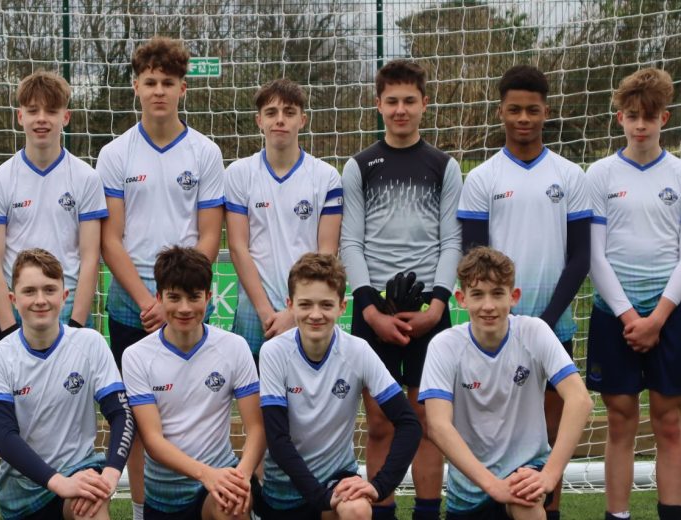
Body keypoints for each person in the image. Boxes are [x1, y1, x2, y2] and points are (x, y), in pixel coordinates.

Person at [456, 64, 594, 520]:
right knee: (497, 427)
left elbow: (580, 258)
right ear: (501, 112)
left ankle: (544, 509)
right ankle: (487, 501)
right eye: (514, 109)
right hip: (496, 327)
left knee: (552, 430)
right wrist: (507, 315)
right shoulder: (482, 179)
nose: (523, 118)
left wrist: (546, 321)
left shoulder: (571, 175)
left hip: (554, 325)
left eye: (532, 110)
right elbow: (475, 259)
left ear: (545, 111)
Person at [98, 36, 226, 518]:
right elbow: (112, 238)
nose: (158, 91)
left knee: (194, 405)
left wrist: (182, 294)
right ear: (135, 86)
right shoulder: (115, 153)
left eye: (167, 83)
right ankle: (140, 507)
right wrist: (149, 299)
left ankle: (207, 495)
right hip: (134, 304)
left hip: (190, 300)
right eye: (149, 82)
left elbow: (209, 233)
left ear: (183, 88)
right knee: (133, 415)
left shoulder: (206, 152)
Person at [339, 58, 461, 520]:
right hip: (375, 313)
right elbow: (351, 242)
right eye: (391, 101)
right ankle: (382, 510)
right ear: (378, 105)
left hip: (430, 313)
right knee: (380, 425)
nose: (400, 109)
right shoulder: (360, 166)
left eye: (409, 100)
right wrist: (370, 311)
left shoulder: (443, 166)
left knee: (430, 424)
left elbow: (452, 241)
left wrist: (437, 304)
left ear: (424, 104)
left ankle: (427, 513)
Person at [583, 67, 681, 520]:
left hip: (668, 315)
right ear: (618, 118)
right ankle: (618, 515)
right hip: (614, 316)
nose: (640, 125)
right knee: (619, 420)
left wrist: (656, 318)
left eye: (648, 117)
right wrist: (628, 315)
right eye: (632, 116)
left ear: (664, 119)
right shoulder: (597, 175)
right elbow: (595, 257)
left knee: (669, 422)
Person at [418, 247, 592, 520]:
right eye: (477, 294)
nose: (488, 305)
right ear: (462, 299)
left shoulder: (534, 331)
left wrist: (549, 475)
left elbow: (580, 400)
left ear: (514, 297)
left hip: (525, 470)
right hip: (469, 491)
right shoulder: (444, 345)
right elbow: (438, 426)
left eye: (498, 293)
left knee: (526, 501)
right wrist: (493, 486)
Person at [256, 252, 419, 520]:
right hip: (284, 493)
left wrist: (379, 487)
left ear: (342, 307)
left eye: (326, 305)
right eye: (305, 304)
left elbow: (409, 423)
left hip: (337, 484)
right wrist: (320, 497)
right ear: (290, 305)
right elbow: (277, 440)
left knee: (356, 509)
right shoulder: (274, 352)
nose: (316, 314)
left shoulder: (358, 351)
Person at [0, 248, 134, 520]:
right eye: (29, 291)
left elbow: (121, 413)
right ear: (13, 299)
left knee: (90, 503)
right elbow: (4, 439)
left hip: (80, 471)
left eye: (49, 290)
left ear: (64, 297)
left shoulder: (90, 343)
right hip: (24, 490)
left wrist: (110, 474)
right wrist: (60, 482)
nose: (40, 300)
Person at [121, 246, 263, 520]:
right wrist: (205, 474)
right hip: (165, 497)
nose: (184, 308)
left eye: (194, 297)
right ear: (159, 298)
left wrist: (241, 477)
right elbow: (152, 440)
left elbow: (256, 427)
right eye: (174, 297)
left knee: (230, 504)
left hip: (218, 482)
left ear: (209, 298)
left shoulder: (234, 347)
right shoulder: (137, 356)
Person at [225, 78, 341, 357]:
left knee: (307, 395)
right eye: (271, 113)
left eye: (289, 113)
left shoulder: (326, 177)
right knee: (254, 398)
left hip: (307, 309)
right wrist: (266, 311)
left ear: (302, 120)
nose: (280, 120)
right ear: (258, 120)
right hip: (255, 312)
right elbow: (238, 247)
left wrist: (293, 312)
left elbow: (327, 253)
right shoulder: (239, 174)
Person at [0, 71, 107, 335]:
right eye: (33, 111)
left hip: (68, 307)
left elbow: (90, 257)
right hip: (17, 309)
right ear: (20, 117)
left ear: (65, 117)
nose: (42, 119)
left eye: (51, 111)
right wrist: (6, 329)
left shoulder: (87, 178)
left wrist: (76, 324)